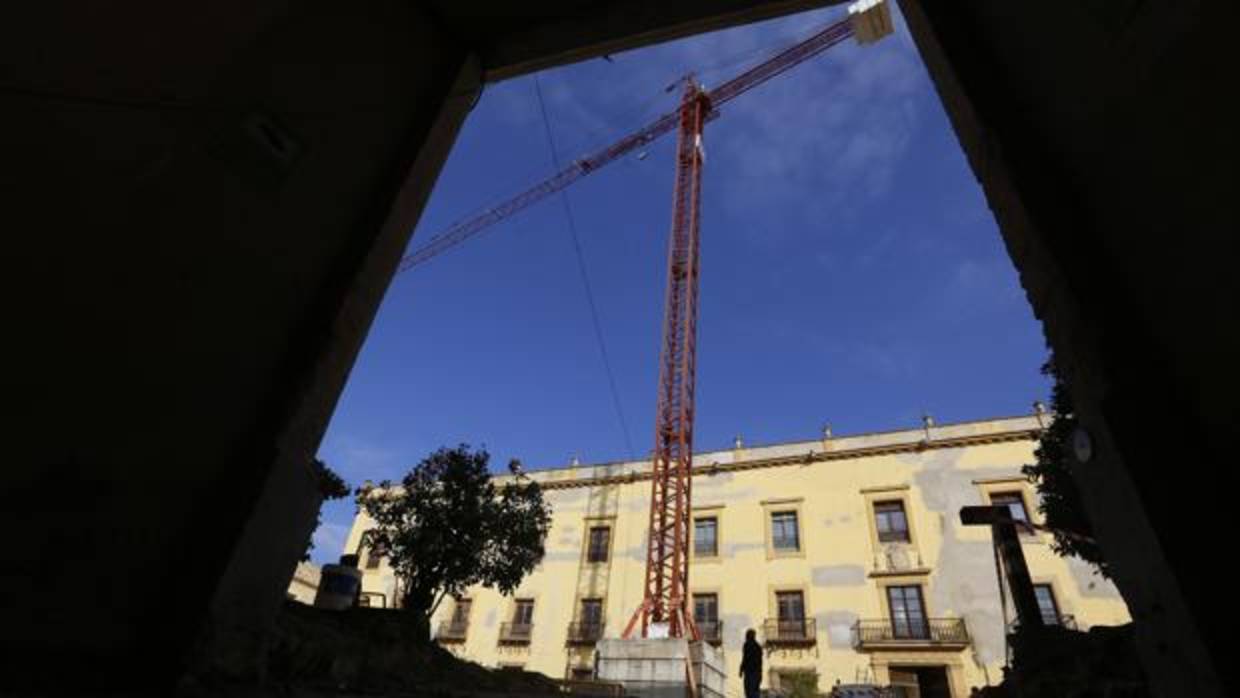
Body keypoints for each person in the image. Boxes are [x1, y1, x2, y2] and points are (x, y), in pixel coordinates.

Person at [739, 628, 762, 698]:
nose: (746, 637)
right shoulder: (758, 646)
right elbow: (760, 662)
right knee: (754, 691)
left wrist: (741, 669)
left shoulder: (747, 645)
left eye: (747, 635)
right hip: (756, 672)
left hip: (750, 672)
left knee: (749, 691)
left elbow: (745, 658)